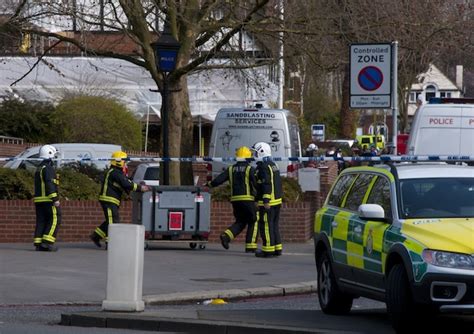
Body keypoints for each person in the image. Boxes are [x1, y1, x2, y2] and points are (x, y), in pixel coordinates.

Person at [90, 151, 150, 248]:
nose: (125, 164)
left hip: (111, 200)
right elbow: (126, 184)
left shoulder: (116, 172)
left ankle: (96, 236)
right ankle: (110, 243)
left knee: (111, 219)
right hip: (109, 200)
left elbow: (124, 183)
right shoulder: (115, 172)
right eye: (124, 161)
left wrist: (128, 191)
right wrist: (140, 188)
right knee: (112, 222)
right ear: (119, 161)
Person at [206, 146, 258, 252]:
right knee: (254, 220)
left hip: (235, 200)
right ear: (248, 158)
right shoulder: (249, 169)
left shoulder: (231, 169)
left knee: (240, 221)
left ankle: (226, 236)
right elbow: (256, 184)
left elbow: (218, 180)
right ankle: (251, 246)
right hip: (247, 199)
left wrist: (209, 184)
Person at [252, 142, 283, 258]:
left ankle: (268, 249)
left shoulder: (263, 167)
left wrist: (265, 200)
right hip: (277, 201)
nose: (253, 154)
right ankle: (277, 247)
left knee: (265, 225)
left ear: (261, 152)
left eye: (255, 152)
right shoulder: (273, 164)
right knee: (274, 224)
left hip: (268, 202)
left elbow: (265, 184)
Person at [33, 145, 61, 252]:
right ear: (49, 154)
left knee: (41, 221)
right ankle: (47, 243)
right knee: (55, 219)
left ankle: (38, 243)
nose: (55, 158)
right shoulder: (48, 168)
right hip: (48, 200)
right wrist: (55, 199)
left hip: (39, 200)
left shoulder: (39, 167)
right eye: (54, 155)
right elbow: (50, 184)